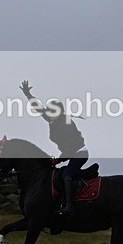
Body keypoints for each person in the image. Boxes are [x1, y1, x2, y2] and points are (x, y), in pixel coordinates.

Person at [20, 80, 88, 216]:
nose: (50, 114)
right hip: (69, 154)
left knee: (66, 176)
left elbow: (71, 146)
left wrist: (59, 160)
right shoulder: (52, 120)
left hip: (79, 153)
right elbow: (38, 108)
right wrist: (28, 94)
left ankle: (69, 207)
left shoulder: (67, 123)